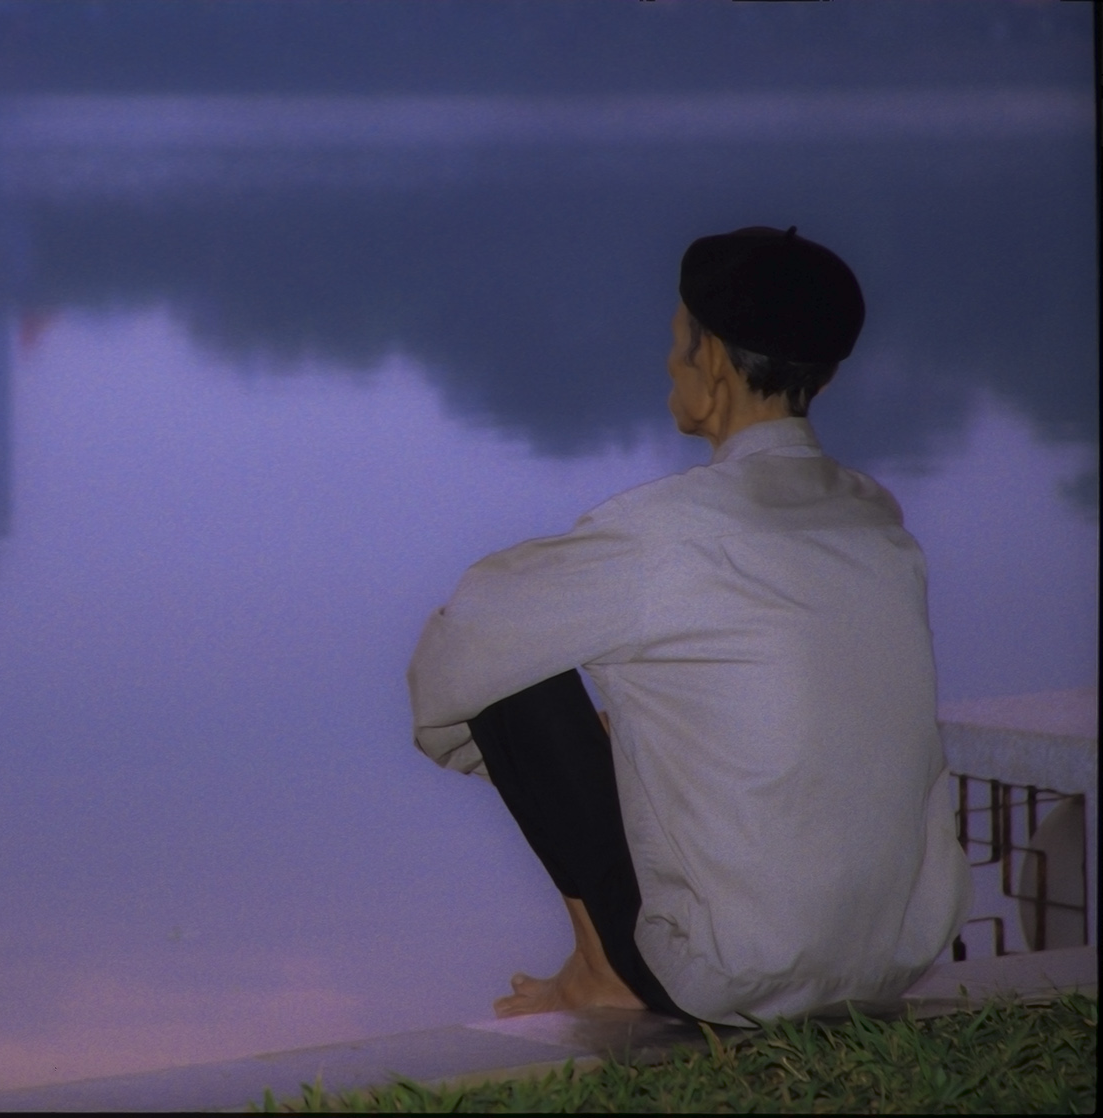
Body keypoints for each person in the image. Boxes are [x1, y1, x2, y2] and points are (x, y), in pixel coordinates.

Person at [406, 226, 972, 1026]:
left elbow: (456, 648)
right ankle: (600, 954)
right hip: (893, 958)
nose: (669, 362)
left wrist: (571, 760)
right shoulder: (877, 518)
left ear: (710, 363)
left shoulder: (663, 536)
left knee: (510, 674)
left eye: (678, 342)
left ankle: (602, 966)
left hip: (722, 974)